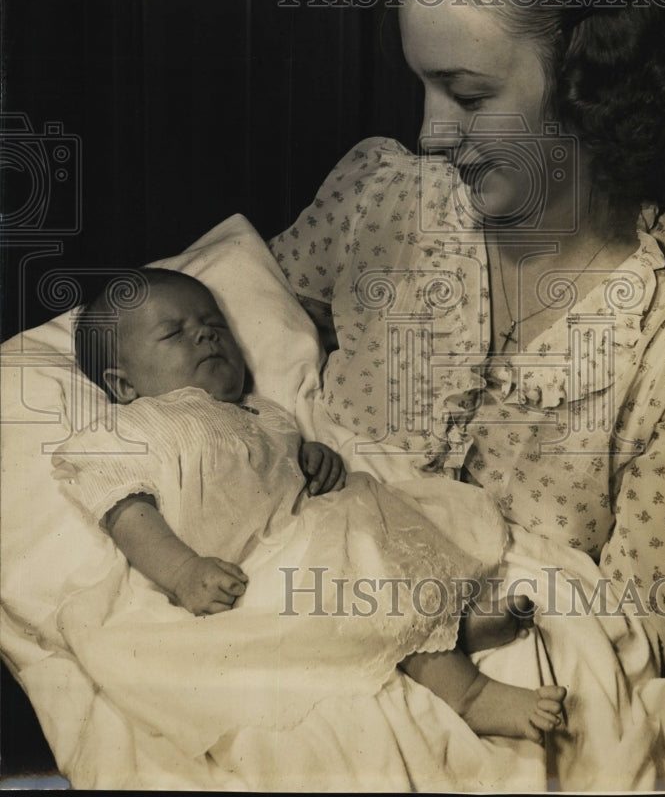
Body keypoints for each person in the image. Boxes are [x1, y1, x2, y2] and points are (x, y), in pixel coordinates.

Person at [269, 0, 665, 678]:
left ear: (586, 82)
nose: (429, 134)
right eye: (420, 84)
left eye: (466, 93)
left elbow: (632, 643)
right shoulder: (380, 199)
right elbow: (199, 353)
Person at [53, 267, 566, 742]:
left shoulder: (263, 412)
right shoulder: (131, 427)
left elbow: (280, 465)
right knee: (364, 563)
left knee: (376, 514)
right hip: (253, 572)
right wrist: (183, 571)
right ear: (123, 385)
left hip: (308, 531)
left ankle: (450, 621)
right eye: (173, 333)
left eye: (214, 324)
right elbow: (124, 509)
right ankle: (469, 694)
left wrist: (312, 457)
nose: (205, 335)